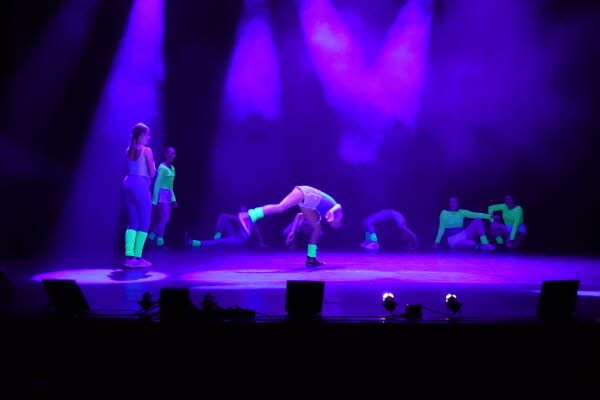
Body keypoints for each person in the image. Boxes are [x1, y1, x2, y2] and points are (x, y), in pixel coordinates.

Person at [238, 186, 342, 266]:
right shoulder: (336, 209)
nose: (332, 225)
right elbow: (338, 206)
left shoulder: (322, 214)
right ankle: (248, 215)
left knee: (317, 227)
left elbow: (299, 215)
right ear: (339, 220)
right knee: (280, 208)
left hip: (308, 201)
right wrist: (332, 213)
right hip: (306, 193)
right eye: (335, 224)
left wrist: (292, 232)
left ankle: (311, 257)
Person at [123, 123, 156, 267]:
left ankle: (129, 258)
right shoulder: (146, 150)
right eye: (147, 134)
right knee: (145, 221)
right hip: (140, 184)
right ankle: (138, 256)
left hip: (128, 182)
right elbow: (152, 173)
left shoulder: (128, 150)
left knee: (133, 223)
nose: (149, 137)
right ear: (142, 135)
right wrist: (154, 168)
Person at [185, 207, 266, 248]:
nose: (242, 212)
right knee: (223, 217)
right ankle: (217, 235)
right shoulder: (239, 217)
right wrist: (218, 226)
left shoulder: (251, 219)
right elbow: (224, 215)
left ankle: (194, 243)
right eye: (241, 210)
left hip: (240, 240)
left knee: (219, 241)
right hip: (235, 235)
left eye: (244, 210)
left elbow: (257, 231)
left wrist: (261, 242)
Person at [148, 147, 177, 249]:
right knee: (164, 218)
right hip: (161, 194)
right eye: (170, 153)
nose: (172, 155)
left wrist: (173, 199)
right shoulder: (162, 167)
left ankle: (152, 236)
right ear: (165, 154)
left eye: (173, 154)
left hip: (168, 195)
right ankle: (160, 241)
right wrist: (154, 201)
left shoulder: (172, 168)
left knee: (166, 218)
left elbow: (170, 185)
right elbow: (157, 184)